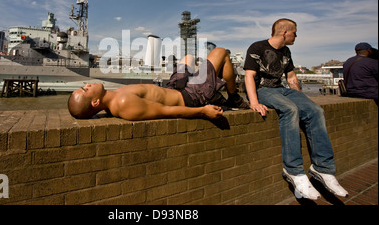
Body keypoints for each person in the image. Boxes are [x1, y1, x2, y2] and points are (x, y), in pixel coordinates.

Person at [243, 18, 348, 200]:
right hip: (263, 90)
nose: (296, 36)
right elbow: (249, 76)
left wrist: (302, 100)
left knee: (315, 110)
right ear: (285, 32)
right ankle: (293, 171)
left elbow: (291, 77)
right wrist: (253, 102)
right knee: (289, 110)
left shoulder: (286, 51)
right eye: (295, 32)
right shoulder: (257, 47)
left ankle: (322, 168)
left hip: (280, 90)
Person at [68, 47, 249, 121]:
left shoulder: (110, 101)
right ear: (94, 102)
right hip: (191, 96)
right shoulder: (123, 104)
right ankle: (232, 98)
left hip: (174, 88)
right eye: (85, 89)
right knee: (221, 52)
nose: (87, 84)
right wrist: (203, 110)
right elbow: (167, 111)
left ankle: (211, 85)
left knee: (188, 57)